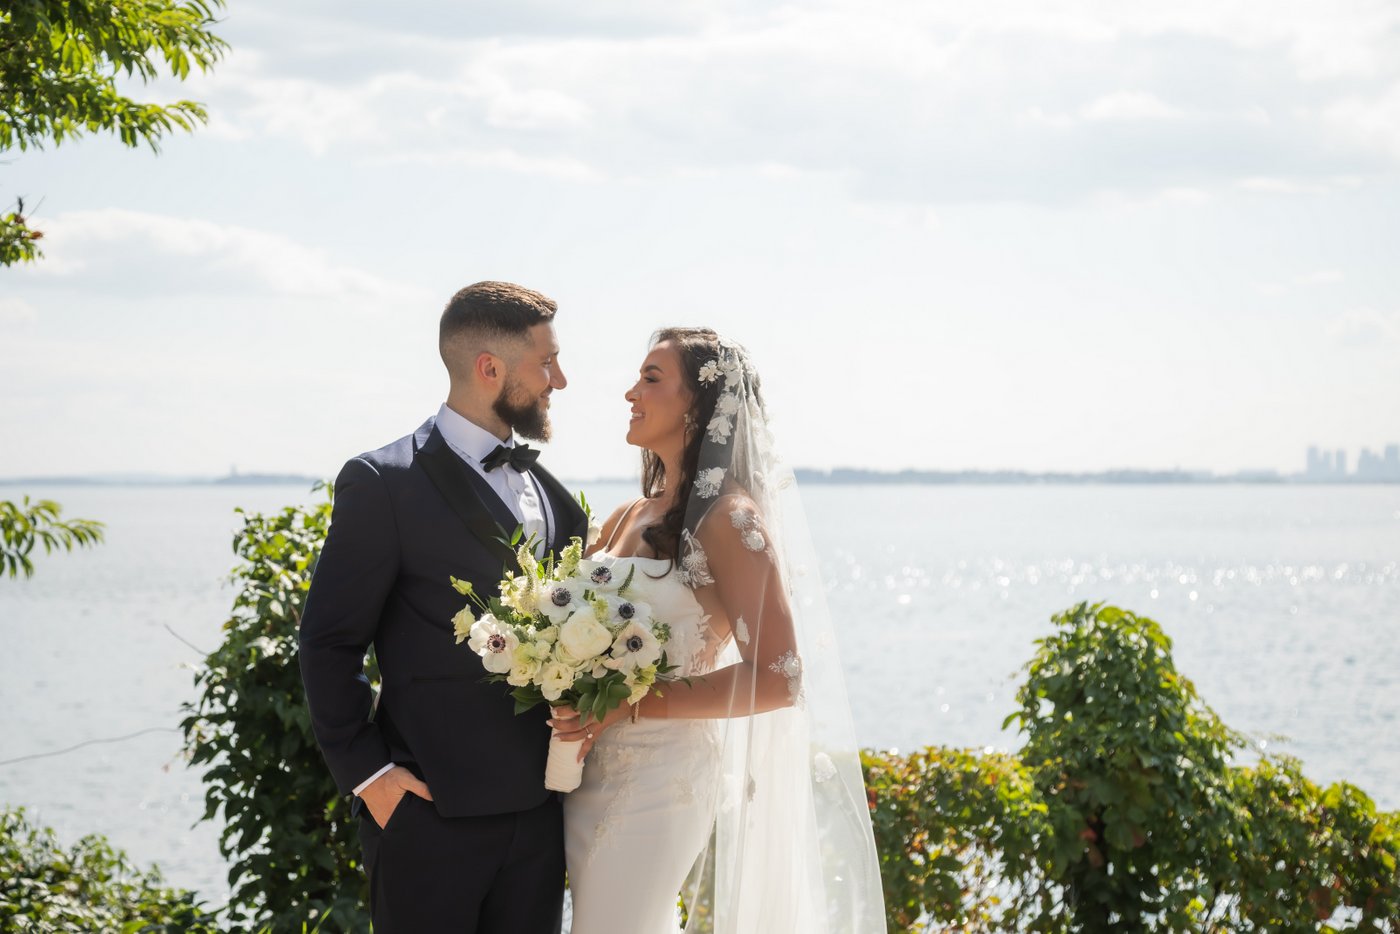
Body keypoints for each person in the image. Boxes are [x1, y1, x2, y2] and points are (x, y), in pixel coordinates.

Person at [551, 328, 886, 933]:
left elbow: (780, 678)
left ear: (699, 406)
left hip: (658, 780)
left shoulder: (730, 518)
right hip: (584, 768)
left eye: (651, 379)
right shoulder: (628, 514)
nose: (631, 391)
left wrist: (627, 705)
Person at [298, 281, 586, 933]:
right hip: (427, 814)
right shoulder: (384, 482)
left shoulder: (555, 498)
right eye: (547, 362)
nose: (560, 380)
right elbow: (328, 642)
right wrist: (372, 778)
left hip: (540, 819)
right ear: (490, 368)